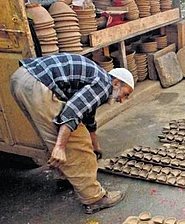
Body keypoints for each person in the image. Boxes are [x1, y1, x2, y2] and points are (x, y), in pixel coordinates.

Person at [10, 53, 134, 214]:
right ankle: (94, 198)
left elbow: (87, 114)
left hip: (22, 78)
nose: (122, 100)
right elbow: (72, 112)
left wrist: (95, 144)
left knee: (54, 133)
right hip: (37, 83)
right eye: (125, 94)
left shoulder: (97, 79)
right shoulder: (104, 85)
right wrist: (61, 146)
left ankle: (66, 177)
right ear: (116, 83)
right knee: (77, 143)